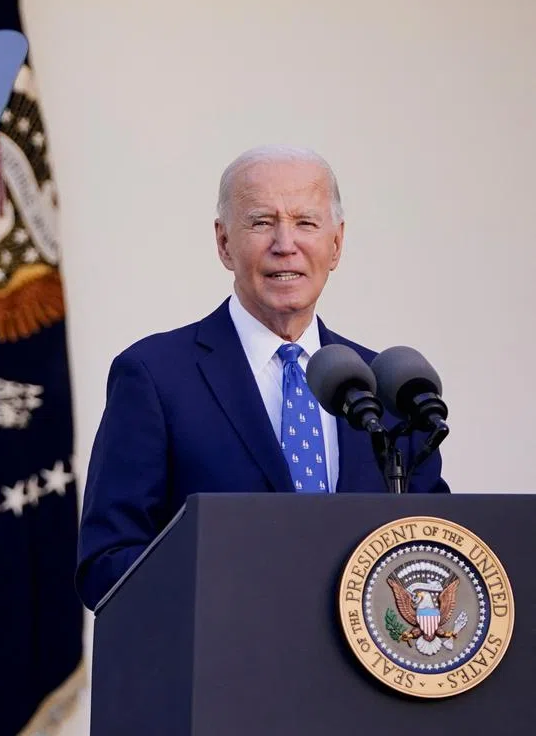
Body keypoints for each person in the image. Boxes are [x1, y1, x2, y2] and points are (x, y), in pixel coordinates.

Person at [74, 145, 449, 611]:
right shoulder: (155, 375)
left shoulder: (386, 388)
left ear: (336, 244)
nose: (285, 243)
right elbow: (107, 562)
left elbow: (438, 552)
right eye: (261, 222)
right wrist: (234, 597)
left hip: (364, 678)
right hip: (223, 671)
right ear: (224, 243)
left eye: (306, 223)